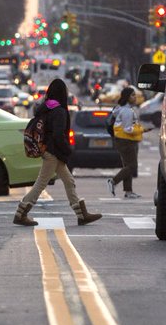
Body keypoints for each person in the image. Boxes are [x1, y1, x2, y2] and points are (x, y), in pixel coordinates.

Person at [13, 78, 103, 227]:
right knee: (41, 184)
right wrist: (68, 150)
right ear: (62, 93)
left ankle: (81, 215)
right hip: (53, 153)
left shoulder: (45, 108)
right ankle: (20, 213)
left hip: (50, 151)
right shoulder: (59, 111)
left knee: (69, 181)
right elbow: (58, 135)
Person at [107, 87, 142, 199]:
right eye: (132, 95)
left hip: (121, 140)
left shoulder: (119, 108)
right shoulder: (127, 111)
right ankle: (113, 181)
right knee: (132, 166)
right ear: (127, 97)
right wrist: (141, 130)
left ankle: (128, 191)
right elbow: (127, 129)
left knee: (127, 166)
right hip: (127, 140)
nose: (135, 97)